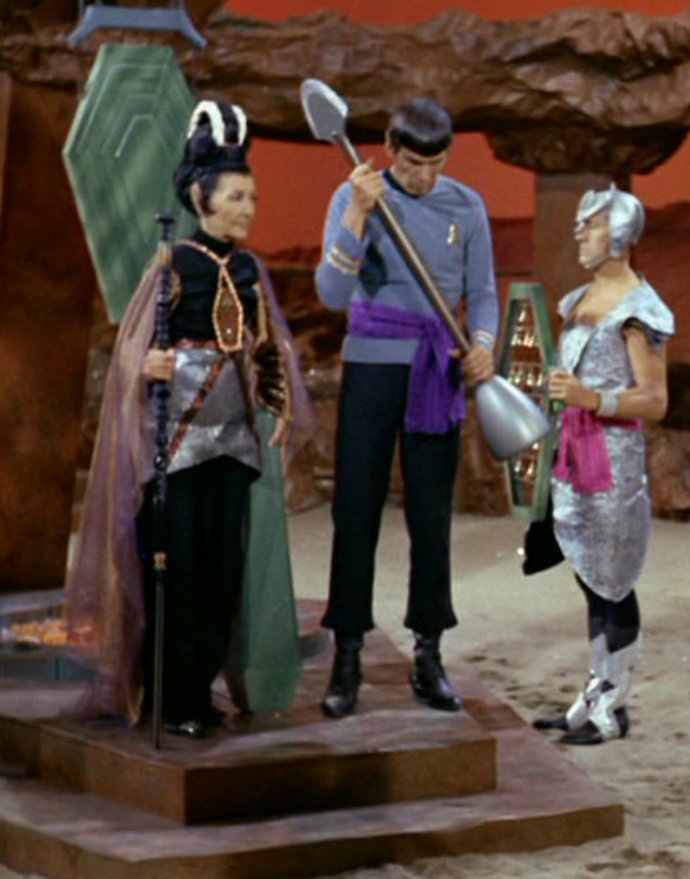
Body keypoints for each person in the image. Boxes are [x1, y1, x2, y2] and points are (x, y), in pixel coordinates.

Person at [66, 100, 314, 738]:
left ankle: (200, 690)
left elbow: (264, 346)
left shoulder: (249, 269)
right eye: (235, 196)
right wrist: (147, 364)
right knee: (175, 571)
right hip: (176, 443)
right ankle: (170, 696)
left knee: (220, 572)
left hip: (234, 444)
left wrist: (277, 403)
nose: (247, 208)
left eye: (252, 197)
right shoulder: (173, 263)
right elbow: (133, 350)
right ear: (202, 200)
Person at [315, 97, 499, 719]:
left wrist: (482, 343)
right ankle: (347, 654)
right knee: (356, 511)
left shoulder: (466, 206)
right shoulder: (355, 195)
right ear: (390, 150)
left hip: (436, 370)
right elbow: (331, 292)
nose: (424, 177)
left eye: (435, 165)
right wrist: (358, 213)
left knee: (431, 515)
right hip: (372, 367)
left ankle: (428, 652)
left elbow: (483, 292)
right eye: (413, 164)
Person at [531, 186, 674, 746]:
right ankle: (594, 692)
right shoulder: (579, 301)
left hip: (612, 463)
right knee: (590, 576)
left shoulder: (641, 310)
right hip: (574, 455)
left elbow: (655, 400)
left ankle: (613, 705)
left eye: (589, 224)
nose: (579, 233)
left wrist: (592, 398)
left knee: (615, 582)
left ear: (617, 234)